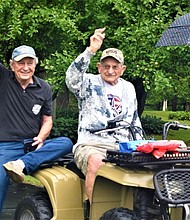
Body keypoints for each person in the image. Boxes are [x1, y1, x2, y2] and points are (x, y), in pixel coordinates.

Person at [65, 28, 143, 203]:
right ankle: (94, 211)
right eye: (106, 66)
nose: (110, 70)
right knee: (96, 162)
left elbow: (134, 121)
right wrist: (91, 50)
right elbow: (71, 79)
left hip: (122, 146)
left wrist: (142, 146)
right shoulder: (89, 82)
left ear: (122, 69)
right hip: (91, 143)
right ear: (99, 67)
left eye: (115, 67)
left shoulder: (129, 88)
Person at [0, 45, 73, 216]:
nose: (26, 67)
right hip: (7, 146)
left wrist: (41, 137)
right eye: (21, 63)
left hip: (32, 144)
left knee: (66, 143)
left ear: (35, 64)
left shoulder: (44, 87)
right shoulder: (4, 79)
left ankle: (21, 164)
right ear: (12, 65)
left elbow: (47, 120)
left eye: (30, 63)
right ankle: (20, 164)